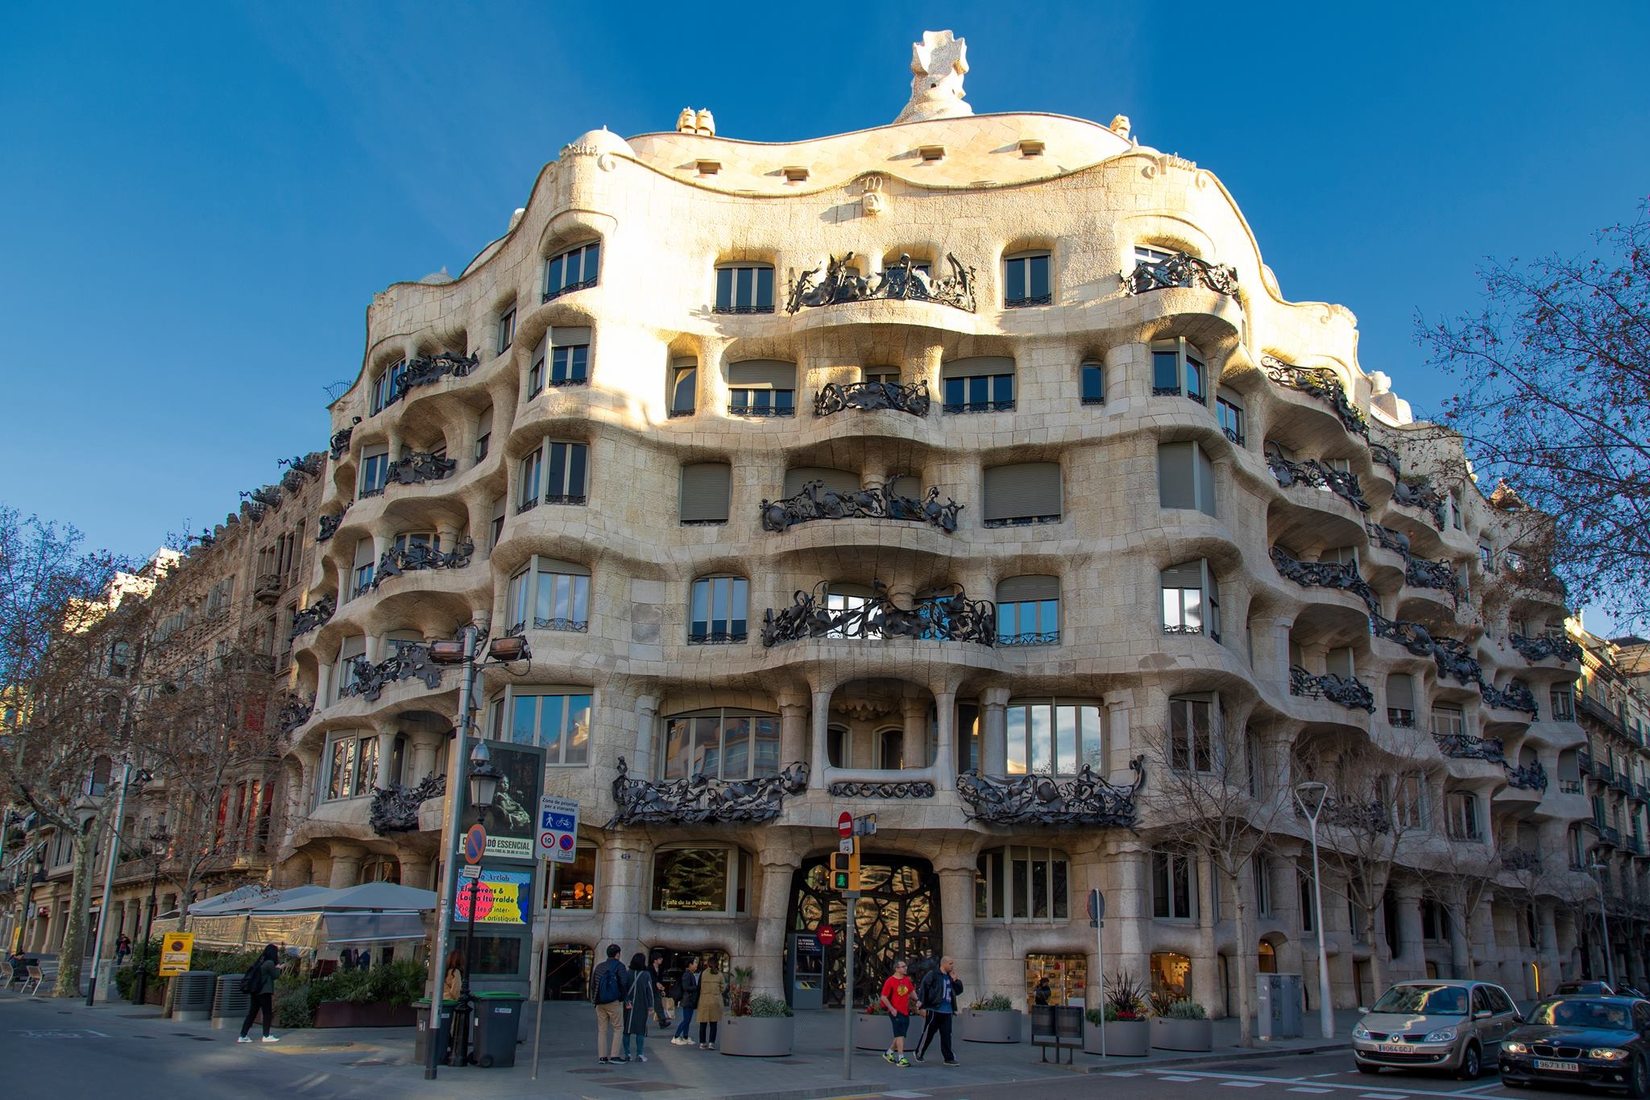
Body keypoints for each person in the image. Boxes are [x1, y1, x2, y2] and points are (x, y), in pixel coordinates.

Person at [914, 955, 962, 1066]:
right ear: (943, 964)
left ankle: (948, 1058)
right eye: (950, 963)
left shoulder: (951, 977)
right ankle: (919, 1052)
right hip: (934, 1009)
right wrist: (922, 1003)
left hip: (947, 1010)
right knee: (928, 1033)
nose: (952, 966)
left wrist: (956, 981)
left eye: (952, 963)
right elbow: (924, 986)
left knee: (946, 1035)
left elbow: (959, 991)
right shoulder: (934, 974)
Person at [592, 943, 632, 1064]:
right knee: (618, 1028)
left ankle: (602, 1057)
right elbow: (623, 983)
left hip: (599, 1002)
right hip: (614, 1001)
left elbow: (593, 984)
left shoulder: (599, 966)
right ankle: (614, 1056)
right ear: (618, 954)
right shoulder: (619, 966)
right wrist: (626, 999)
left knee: (602, 1030)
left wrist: (594, 1000)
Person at [237, 944, 282, 1043]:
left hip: (255, 991)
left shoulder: (261, 962)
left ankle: (243, 1035)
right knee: (267, 1013)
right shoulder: (270, 963)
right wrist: (278, 967)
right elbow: (275, 975)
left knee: (252, 1013)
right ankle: (266, 1035)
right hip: (264, 991)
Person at [878, 958, 917, 1067]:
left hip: (905, 1011)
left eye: (905, 966)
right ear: (897, 969)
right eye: (903, 966)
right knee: (899, 1034)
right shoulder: (890, 981)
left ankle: (889, 1053)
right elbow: (884, 997)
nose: (906, 968)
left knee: (901, 1035)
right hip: (895, 1011)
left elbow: (912, 992)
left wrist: (918, 1000)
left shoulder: (906, 980)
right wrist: (891, 1009)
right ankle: (901, 1058)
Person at [623, 952, 655, 1063]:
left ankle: (627, 1054)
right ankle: (640, 1054)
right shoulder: (646, 975)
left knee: (626, 1030)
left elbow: (623, 989)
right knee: (640, 1030)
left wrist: (626, 1000)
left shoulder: (628, 973)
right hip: (642, 1005)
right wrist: (651, 1006)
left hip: (628, 1005)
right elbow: (649, 991)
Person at [671, 956, 700, 1045]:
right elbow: (686, 987)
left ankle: (685, 1037)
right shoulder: (687, 974)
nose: (696, 965)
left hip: (689, 1000)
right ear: (690, 964)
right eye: (695, 963)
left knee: (688, 1019)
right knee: (686, 1020)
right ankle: (676, 1036)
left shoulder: (690, 973)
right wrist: (696, 988)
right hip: (687, 1000)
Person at [696, 958, 724, 1049]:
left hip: (704, 1000)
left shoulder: (703, 973)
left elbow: (699, 986)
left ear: (708, 964)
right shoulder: (719, 974)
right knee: (713, 1023)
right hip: (715, 1000)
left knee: (703, 1023)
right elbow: (723, 988)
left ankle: (702, 1043)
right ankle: (711, 1043)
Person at [651, 955, 673, 1027]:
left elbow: (660, 979)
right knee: (657, 1004)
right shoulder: (649, 968)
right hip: (650, 988)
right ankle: (662, 1020)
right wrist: (656, 983)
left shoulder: (660, 968)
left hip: (657, 988)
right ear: (655, 960)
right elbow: (650, 978)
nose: (661, 960)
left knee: (658, 1003)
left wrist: (661, 987)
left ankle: (662, 1021)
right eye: (659, 959)